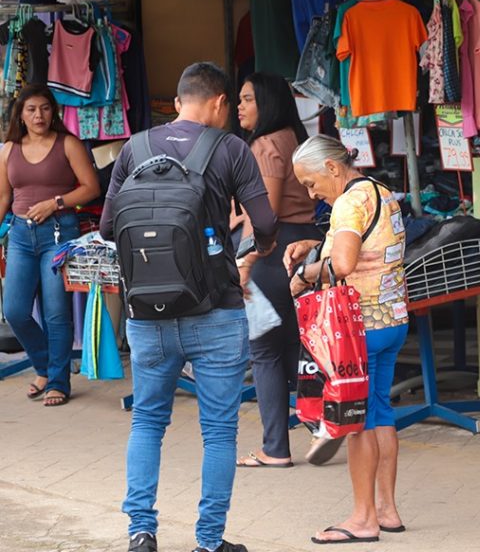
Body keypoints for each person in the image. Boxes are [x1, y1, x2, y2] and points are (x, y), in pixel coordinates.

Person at [99, 62, 278, 552]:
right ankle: (208, 541)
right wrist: (258, 245)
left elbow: (107, 228)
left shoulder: (134, 148)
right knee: (218, 431)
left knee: (148, 421)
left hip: (147, 317)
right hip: (216, 310)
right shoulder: (231, 149)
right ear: (219, 102)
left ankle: (141, 532)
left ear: (179, 102)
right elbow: (265, 219)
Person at [284, 135, 409, 544]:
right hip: (393, 320)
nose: (311, 191)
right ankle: (388, 511)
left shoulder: (347, 203)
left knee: (356, 423)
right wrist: (314, 245)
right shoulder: (381, 193)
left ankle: (362, 519)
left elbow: (343, 263)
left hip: (362, 328)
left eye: (311, 182)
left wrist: (303, 276)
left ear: (334, 168)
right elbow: (364, 245)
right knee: (380, 411)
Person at [234, 72, 320, 469]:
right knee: (290, 343)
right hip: (302, 242)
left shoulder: (266, 144)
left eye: (248, 99)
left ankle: (275, 448)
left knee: (264, 349)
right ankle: (320, 423)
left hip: (273, 251)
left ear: (265, 103)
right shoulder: (292, 137)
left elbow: (265, 212)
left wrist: (247, 259)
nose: (240, 106)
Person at [0, 84, 100, 407]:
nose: (38, 115)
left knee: (56, 313)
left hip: (59, 232)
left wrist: (55, 203)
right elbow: (4, 196)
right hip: (19, 234)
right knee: (14, 310)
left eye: (44, 108)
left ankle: (58, 380)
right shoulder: (8, 149)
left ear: (53, 111)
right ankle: (45, 366)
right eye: (31, 110)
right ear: (21, 114)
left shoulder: (67, 144)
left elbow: (91, 188)